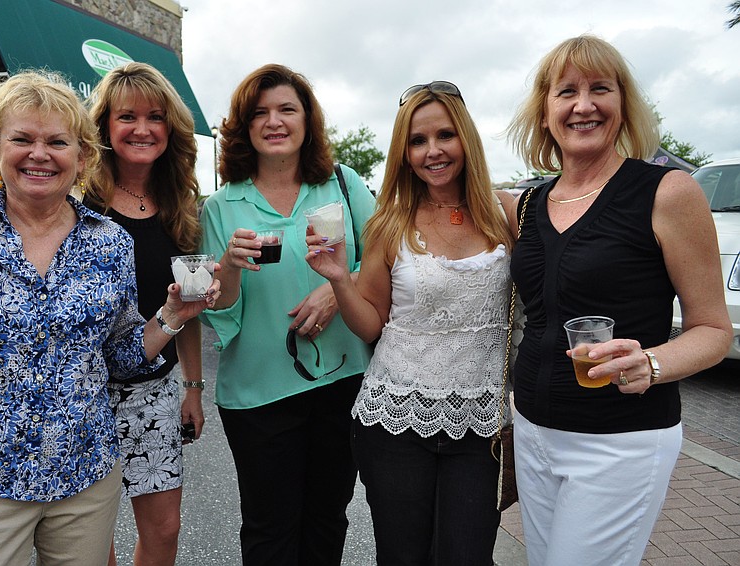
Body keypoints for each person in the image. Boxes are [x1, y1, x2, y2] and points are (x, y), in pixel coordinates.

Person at [0, 70, 219, 566]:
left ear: (82, 156)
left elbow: (121, 356)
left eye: (57, 142)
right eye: (22, 139)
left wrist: (173, 314)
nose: (39, 154)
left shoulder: (108, 242)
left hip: (84, 478)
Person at [505, 35, 731, 566]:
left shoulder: (668, 192)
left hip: (619, 441)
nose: (583, 105)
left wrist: (651, 362)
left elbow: (714, 330)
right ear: (545, 113)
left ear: (623, 104)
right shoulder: (529, 204)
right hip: (532, 430)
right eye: (566, 92)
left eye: (600, 89)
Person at [305, 81, 515, 565]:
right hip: (395, 418)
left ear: (466, 138)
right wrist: (338, 278)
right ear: (404, 152)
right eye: (418, 141)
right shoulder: (390, 222)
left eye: (445, 135)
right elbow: (371, 325)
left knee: (468, 557)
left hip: (481, 424)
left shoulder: (505, 213)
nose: (432, 151)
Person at [198, 63, 375, 566]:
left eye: (287, 110)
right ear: (244, 126)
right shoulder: (221, 207)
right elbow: (217, 312)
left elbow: (383, 260)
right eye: (260, 113)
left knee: (326, 521)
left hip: (341, 382)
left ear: (307, 121)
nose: (274, 122)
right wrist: (230, 268)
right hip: (258, 393)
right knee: (269, 531)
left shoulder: (342, 184)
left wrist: (336, 291)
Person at [84, 61, 204, 566]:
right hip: (85, 390)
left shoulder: (179, 204)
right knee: (91, 539)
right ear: (105, 127)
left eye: (155, 117)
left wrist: (193, 388)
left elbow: (189, 308)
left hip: (153, 390)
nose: (142, 128)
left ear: (170, 128)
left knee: (164, 530)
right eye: (127, 116)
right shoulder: (79, 199)